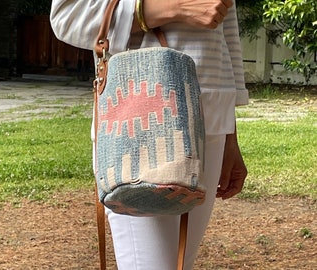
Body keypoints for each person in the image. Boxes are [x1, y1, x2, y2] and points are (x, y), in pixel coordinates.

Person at [50, 0, 248, 269]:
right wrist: (172, 8)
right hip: (143, 118)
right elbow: (68, 15)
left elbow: (227, 33)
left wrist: (230, 134)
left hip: (211, 116)